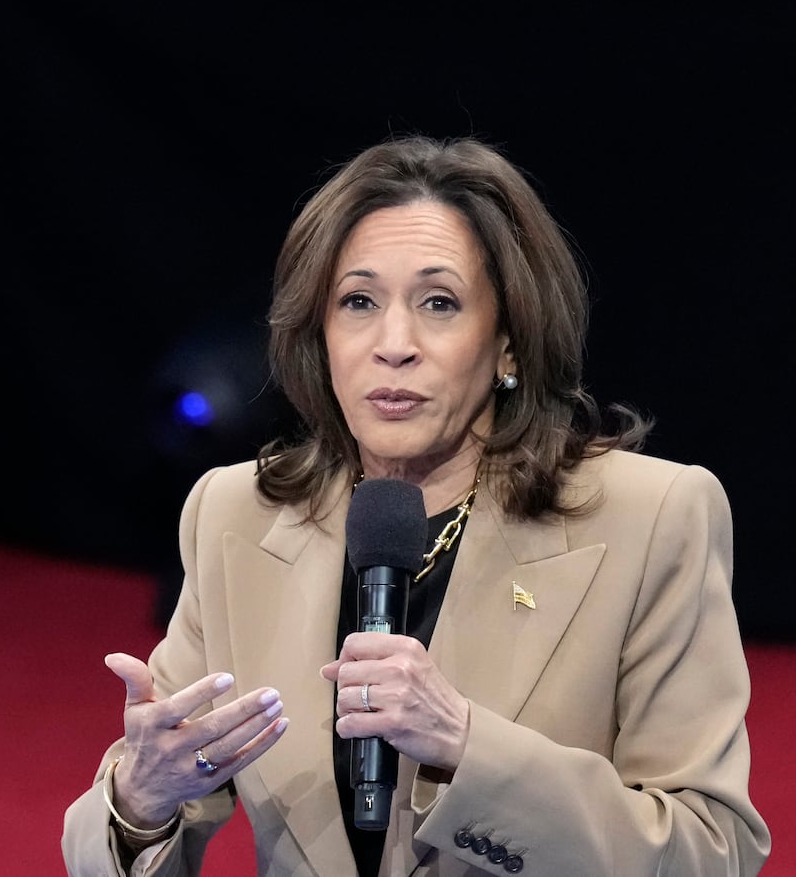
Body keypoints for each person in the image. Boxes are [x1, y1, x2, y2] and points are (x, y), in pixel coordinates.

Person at [61, 136, 770, 875]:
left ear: (509, 346)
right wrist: (139, 801)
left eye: (439, 302)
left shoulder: (653, 517)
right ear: (320, 334)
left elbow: (712, 851)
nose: (393, 343)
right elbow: (142, 836)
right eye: (358, 301)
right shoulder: (234, 513)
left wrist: (468, 744)